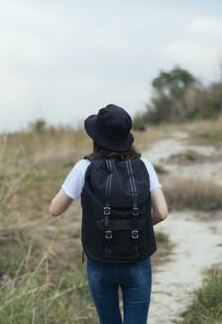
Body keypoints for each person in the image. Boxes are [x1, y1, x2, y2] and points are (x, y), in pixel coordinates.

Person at [50, 104, 168, 324]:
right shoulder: (144, 166)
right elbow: (161, 213)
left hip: (99, 262)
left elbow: (54, 210)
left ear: (96, 138)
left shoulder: (84, 167)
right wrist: (136, 225)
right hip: (137, 260)